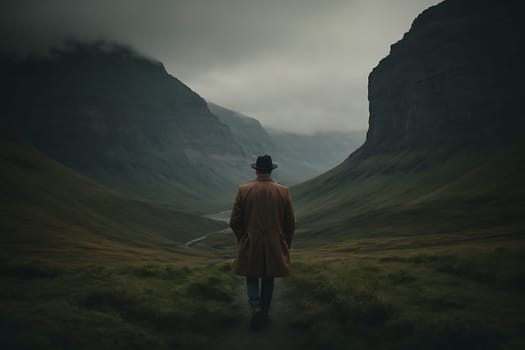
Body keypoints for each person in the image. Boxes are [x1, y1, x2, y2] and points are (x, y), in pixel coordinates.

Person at [229, 154, 296, 331]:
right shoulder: (283, 191)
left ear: (257, 170)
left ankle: (255, 306)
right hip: (275, 242)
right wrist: (285, 242)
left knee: (251, 275)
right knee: (269, 278)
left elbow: (234, 220)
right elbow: (290, 222)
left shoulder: (244, 190)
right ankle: (264, 313)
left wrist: (242, 238)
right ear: (271, 170)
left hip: (251, 240)